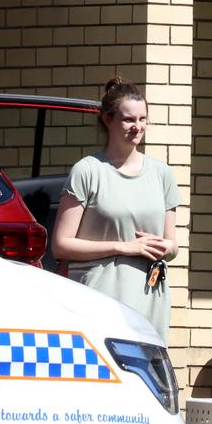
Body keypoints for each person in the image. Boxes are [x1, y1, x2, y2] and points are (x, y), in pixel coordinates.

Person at [52, 77, 180, 342]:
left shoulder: (162, 174)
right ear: (107, 120)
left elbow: (173, 246)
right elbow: (61, 246)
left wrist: (165, 248)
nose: (138, 127)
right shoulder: (88, 170)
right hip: (100, 297)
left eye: (143, 119)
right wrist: (123, 247)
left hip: (150, 297)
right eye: (129, 120)